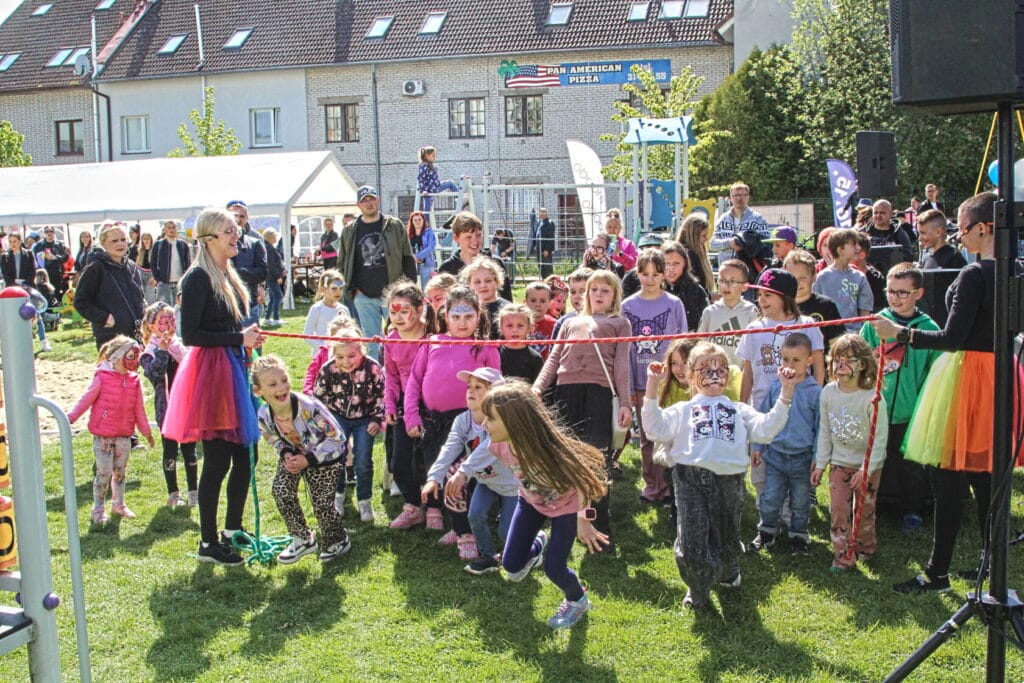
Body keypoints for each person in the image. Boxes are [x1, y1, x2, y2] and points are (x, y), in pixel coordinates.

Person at [872, 191, 1005, 593]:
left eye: (960, 229)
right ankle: (989, 569)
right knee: (986, 478)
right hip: (999, 377)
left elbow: (951, 338)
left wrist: (902, 334)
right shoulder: (1013, 270)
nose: (957, 237)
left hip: (967, 378)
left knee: (947, 477)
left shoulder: (975, 274)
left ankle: (937, 574)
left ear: (982, 229)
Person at [642, 342, 800, 608]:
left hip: (729, 479)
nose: (714, 376)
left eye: (720, 370)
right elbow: (656, 429)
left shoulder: (739, 409)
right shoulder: (682, 410)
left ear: (728, 374)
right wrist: (651, 385)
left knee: (726, 534)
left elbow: (765, 430)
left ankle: (728, 571)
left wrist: (786, 393)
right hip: (688, 478)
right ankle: (698, 588)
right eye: (706, 369)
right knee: (692, 538)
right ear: (690, 375)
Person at [161, 206, 263, 567]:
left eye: (236, 229)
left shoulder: (228, 273)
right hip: (213, 374)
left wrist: (245, 340)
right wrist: (238, 336)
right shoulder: (198, 278)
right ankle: (207, 542)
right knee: (218, 458)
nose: (236, 235)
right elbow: (190, 334)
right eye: (228, 231)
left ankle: (232, 530)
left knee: (244, 456)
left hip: (232, 367)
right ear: (208, 239)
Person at [471, 380, 608, 628]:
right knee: (512, 569)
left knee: (554, 568)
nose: (483, 424)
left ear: (514, 422)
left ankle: (577, 599)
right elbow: (478, 459)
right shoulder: (496, 444)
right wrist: (461, 473)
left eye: (490, 419)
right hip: (531, 503)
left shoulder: (550, 451)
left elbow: (584, 482)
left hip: (566, 509)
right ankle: (537, 546)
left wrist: (583, 519)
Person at [533, 270, 632, 549]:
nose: (598, 295)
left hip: (598, 395)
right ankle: (567, 522)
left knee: (595, 461)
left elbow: (622, 367)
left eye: (605, 290)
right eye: (594, 290)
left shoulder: (619, 323)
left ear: (615, 296)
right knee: (567, 459)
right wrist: (537, 389)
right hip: (566, 393)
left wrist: (625, 403)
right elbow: (553, 360)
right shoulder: (569, 323)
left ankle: (599, 525)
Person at [404, 286, 500, 534]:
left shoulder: (485, 347)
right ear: (445, 316)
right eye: (456, 317)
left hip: (471, 423)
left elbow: (498, 386)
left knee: (462, 472)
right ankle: (435, 508)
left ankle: (462, 527)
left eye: (468, 316)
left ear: (478, 316)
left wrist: (492, 419)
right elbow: (414, 380)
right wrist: (411, 414)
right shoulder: (432, 343)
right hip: (433, 420)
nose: (462, 322)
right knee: (434, 463)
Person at [860, 263, 941, 532]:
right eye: (890, 291)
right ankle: (871, 505)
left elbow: (936, 370)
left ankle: (913, 510)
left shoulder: (928, 327)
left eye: (902, 293)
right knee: (875, 459)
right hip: (878, 409)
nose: (895, 297)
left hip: (912, 410)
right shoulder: (876, 323)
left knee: (911, 466)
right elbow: (862, 358)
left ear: (918, 293)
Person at [253, 355, 352, 564]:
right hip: (295, 455)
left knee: (322, 504)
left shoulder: (309, 407)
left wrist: (309, 458)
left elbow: (338, 438)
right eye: (272, 384)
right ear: (258, 391)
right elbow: (271, 438)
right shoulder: (263, 414)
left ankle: (338, 540)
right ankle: (303, 538)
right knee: (281, 490)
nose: (281, 387)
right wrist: (285, 453)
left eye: (284, 380)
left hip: (326, 458)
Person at [812, 334, 888, 572]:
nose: (840, 366)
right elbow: (824, 431)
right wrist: (820, 464)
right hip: (839, 463)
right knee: (839, 511)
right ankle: (842, 555)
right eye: (836, 360)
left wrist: (866, 469)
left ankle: (865, 547)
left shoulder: (872, 398)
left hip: (867, 464)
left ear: (862, 364)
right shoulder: (828, 393)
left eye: (849, 360)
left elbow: (879, 440)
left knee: (864, 510)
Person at [67, 335, 155, 524]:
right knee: (104, 472)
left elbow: (139, 409)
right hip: (103, 436)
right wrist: (70, 418)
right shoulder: (102, 377)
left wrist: (146, 432)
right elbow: (87, 398)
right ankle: (98, 507)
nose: (134, 361)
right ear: (117, 356)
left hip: (124, 434)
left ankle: (118, 503)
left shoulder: (134, 380)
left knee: (120, 471)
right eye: (130, 356)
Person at [622, 249, 687, 505]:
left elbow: (683, 342)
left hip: (668, 382)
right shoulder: (627, 306)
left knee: (671, 435)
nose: (649, 279)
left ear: (664, 275)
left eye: (655, 274)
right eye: (644, 273)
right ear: (637, 274)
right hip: (640, 382)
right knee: (648, 437)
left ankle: (672, 486)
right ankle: (652, 486)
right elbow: (624, 350)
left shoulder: (673, 304)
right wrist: (627, 386)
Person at [421, 367, 503, 563]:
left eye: (478, 387)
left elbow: (488, 450)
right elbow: (449, 448)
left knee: (507, 532)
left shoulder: (501, 420)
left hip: (505, 476)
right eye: (469, 387)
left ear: (494, 393)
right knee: (451, 475)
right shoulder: (463, 420)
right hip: (477, 472)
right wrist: (434, 477)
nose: (470, 391)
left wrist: (464, 471)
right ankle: (463, 532)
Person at [749, 333, 821, 555]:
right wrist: (758, 447)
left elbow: (820, 428)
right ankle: (767, 532)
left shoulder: (816, 392)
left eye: (796, 360)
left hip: (802, 457)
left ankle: (798, 535)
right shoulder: (774, 388)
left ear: (809, 360)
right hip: (776, 455)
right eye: (785, 359)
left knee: (800, 501)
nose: (790, 365)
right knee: (770, 497)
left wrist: (818, 457)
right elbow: (762, 417)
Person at [313, 329, 385, 524]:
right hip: (337, 418)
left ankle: (364, 500)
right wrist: (325, 423)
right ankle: (338, 496)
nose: (346, 361)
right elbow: (317, 398)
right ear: (333, 355)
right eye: (340, 357)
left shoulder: (373, 368)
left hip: (365, 418)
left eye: (352, 356)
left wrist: (377, 419)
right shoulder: (328, 369)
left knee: (363, 460)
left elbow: (382, 395)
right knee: (337, 457)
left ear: (362, 350)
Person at [338, 185, 417, 360]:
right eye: (364, 201)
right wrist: (353, 290)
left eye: (371, 199)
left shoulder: (394, 225)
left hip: (392, 294)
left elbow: (407, 258)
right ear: (358, 205)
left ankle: (401, 380)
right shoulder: (350, 230)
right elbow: (342, 262)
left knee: (399, 340)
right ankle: (376, 381)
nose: (369, 204)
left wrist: (409, 290)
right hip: (364, 296)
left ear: (378, 201)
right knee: (371, 345)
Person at [140, 302, 198, 508]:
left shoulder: (181, 347)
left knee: (190, 451)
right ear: (152, 326)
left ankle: (194, 492)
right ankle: (173, 493)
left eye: (172, 320)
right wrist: (163, 351)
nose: (170, 326)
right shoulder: (149, 351)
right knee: (171, 451)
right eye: (164, 322)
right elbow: (154, 374)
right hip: (167, 410)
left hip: (186, 406)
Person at [383, 282, 430, 529]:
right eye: (393, 312)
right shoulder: (391, 340)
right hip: (403, 405)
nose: (398, 317)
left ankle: (435, 506)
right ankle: (412, 505)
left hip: (432, 404)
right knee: (399, 462)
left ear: (420, 309)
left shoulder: (432, 336)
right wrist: (390, 404)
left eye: (404, 311)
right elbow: (390, 374)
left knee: (432, 457)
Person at [74, 221, 146, 349]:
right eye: (114, 241)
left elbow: (139, 295)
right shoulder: (95, 268)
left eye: (123, 239)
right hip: (110, 336)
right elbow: (81, 302)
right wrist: (104, 318)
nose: (120, 244)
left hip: (135, 333)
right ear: (103, 243)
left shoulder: (131, 266)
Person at [437, 211, 514, 301]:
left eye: (478, 235)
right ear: (456, 238)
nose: (475, 241)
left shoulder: (495, 263)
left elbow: (507, 301)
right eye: (468, 237)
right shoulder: (447, 268)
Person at [697, 259, 759, 368]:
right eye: (722, 280)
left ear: (744, 286)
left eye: (732, 282)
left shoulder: (750, 311)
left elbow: (754, 348)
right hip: (713, 373)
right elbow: (700, 344)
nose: (726, 285)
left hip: (739, 375)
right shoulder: (710, 312)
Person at [812, 228, 873, 331]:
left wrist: (864, 332)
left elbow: (864, 310)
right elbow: (815, 308)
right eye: (853, 244)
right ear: (840, 250)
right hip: (829, 333)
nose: (858, 248)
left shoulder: (859, 277)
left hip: (855, 332)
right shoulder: (822, 277)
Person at [784, 249, 844, 354]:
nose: (797, 283)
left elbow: (837, 344)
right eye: (792, 277)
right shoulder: (780, 306)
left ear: (814, 276)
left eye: (802, 278)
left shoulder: (826, 305)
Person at [226, 200, 268, 329]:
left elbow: (263, 272)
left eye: (241, 216)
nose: (238, 219)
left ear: (246, 219)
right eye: (234, 216)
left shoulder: (255, 243)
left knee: (251, 347)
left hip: (248, 305)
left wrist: (241, 274)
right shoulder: (215, 243)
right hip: (223, 306)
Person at [710, 182, 769, 261]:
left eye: (743, 195)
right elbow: (712, 244)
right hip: (725, 269)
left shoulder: (758, 219)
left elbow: (766, 243)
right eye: (735, 195)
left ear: (748, 197)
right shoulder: (723, 219)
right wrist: (729, 243)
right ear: (731, 197)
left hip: (749, 269)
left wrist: (745, 244)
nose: (739, 198)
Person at [661, 241, 709, 332]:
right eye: (667, 263)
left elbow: (704, 323)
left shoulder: (696, 290)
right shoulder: (653, 289)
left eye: (676, 263)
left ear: (685, 264)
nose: (671, 268)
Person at [302, 269, 350, 356]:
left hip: (341, 356)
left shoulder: (344, 310)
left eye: (341, 288)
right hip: (321, 355)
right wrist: (324, 347)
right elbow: (307, 334)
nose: (338, 292)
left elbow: (350, 331)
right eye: (334, 288)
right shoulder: (317, 309)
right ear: (323, 289)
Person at [461, 256, 509, 339]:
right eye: (477, 282)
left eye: (488, 281)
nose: (483, 286)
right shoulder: (465, 310)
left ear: (497, 281)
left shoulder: (508, 309)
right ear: (469, 285)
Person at [497, 304, 543, 383]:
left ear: (529, 327)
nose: (515, 330)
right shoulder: (495, 354)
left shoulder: (535, 358)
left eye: (520, 325)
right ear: (501, 327)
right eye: (509, 325)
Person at [152, 220, 191, 307]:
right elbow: (153, 262)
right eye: (169, 228)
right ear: (165, 230)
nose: (171, 230)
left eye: (173, 227)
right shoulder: (159, 244)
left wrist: (185, 278)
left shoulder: (183, 244)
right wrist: (157, 278)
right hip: (164, 282)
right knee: (163, 307)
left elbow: (187, 262)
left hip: (179, 282)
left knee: (179, 307)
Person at [676, 214, 715, 297]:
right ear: (694, 236)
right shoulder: (690, 255)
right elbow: (695, 287)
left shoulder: (690, 252)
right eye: (704, 235)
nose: (706, 239)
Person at [417, 145, 461, 217]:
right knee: (427, 208)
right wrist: (424, 190)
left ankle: (458, 198)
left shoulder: (431, 165)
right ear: (426, 156)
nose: (434, 157)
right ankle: (426, 223)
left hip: (437, 186)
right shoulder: (423, 166)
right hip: (429, 190)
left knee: (450, 183)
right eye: (433, 155)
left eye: (435, 155)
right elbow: (421, 179)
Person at [33, 226, 70, 300]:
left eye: (51, 231)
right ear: (44, 233)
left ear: (54, 233)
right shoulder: (38, 245)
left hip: (56, 272)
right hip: (43, 273)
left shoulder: (59, 245)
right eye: (47, 231)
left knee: (56, 292)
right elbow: (33, 257)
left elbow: (65, 257)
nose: (49, 233)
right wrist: (41, 257)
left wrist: (55, 257)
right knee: (44, 292)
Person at [262, 228, 286, 326]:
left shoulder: (269, 246)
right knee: (278, 296)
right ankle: (276, 318)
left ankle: (267, 318)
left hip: (271, 276)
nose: (276, 238)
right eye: (275, 236)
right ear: (270, 237)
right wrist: (278, 276)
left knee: (273, 298)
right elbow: (271, 264)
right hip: (272, 276)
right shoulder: (269, 248)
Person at [407, 210, 437, 289]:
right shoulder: (407, 234)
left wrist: (417, 257)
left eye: (419, 219)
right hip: (412, 265)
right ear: (412, 222)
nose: (417, 222)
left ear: (423, 220)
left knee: (426, 289)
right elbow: (405, 248)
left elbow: (431, 247)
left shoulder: (429, 233)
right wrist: (412, 257)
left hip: (426, 264)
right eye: (415, 220)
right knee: (411, 288)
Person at [603, 207, 637, 272]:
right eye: (609, 227)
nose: (612, 229)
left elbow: (633, 265)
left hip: (623, 279)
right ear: (605, 227)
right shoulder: (600, 242)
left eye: (615, 227)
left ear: (621, 228)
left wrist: (620, 254)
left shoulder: (628, 244)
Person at [135, 232, 157, 305]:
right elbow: (138, 264)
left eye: (148, 239)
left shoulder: (154, 250)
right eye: (144, 239)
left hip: (151, 273)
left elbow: (156, 264)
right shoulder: (140, 250)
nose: (146, 241)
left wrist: (154, 277)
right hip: (141, 272)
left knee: (150, 297)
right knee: (140, 294)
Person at [536, 207, 556, 278]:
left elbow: (550, 237)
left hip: (545, 250)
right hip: (539, 249)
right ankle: (543, 282)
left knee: (547, 268)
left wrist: (547, 249)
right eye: (539, 213)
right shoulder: (541, 223)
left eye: (541, 212)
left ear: (545, 213)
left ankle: (550, 283)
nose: (539, 214)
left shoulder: (550, 223)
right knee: (541, 267)